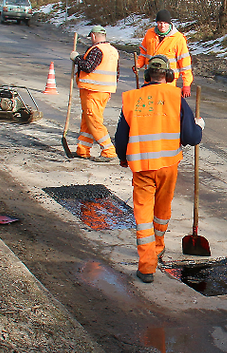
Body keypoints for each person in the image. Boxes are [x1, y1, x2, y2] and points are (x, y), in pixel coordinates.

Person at [114, 54, 204, 283]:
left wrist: (123, 159)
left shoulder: (132, 98)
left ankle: (146, 266)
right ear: (169, 76)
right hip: (167, 166)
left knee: (143, 217)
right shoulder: (176, 97)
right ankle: (159, 247)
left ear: (146, 75)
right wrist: (199, 127)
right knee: (161, 211)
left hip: (142, 167)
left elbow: (121, 138)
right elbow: (191, 137)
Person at [70, 26, 120, 161]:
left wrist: (76, 59)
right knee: (87, 120)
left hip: (93, 90)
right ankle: (83, 150)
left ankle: (109, 150)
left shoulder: (97, 50)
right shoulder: (113, 51)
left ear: (93, 36)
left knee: (93, 121)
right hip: (104, 91)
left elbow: (88, 66)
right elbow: (116, 73)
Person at [135, 10, 193, 98]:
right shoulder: (150, 34)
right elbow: (143, 52)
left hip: (168, 81)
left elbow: (185, 63)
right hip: (150, 78)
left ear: (169, 23)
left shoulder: (178, 38)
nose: (162, 26)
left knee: (166, 108)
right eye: (160, 23)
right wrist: (138, 65)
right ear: (157, 23)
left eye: (165, 23)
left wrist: (186, 84)